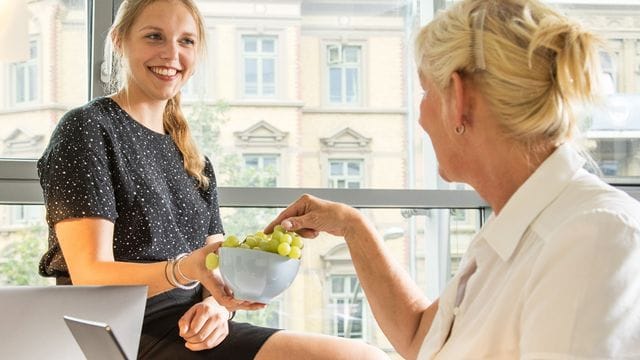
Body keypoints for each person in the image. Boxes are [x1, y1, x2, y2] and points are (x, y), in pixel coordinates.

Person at [265, 0, 640, 359]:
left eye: (426, 91)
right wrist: (351, 226)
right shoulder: (512, 230)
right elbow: (420, 337)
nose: (421, 116)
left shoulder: (593, 236)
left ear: (458, 99)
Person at [37, 0, 388, 359]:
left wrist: (219, 310)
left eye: (186, 41)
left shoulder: (195, 160)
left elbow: (218, 271)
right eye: (154, 36)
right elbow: (90, 274)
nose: (171, 53)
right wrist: (185, 269)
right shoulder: (87, 129)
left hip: (195, 330)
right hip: (122, 336)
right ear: (118, 40)